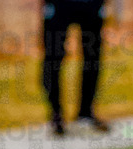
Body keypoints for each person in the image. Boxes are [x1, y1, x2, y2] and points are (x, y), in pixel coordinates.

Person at [42, 0, 110, 135]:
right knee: (53, 55)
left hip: (90, 4)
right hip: (59, 5)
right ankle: (56, 114)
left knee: (93, 54)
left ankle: (85, 113)